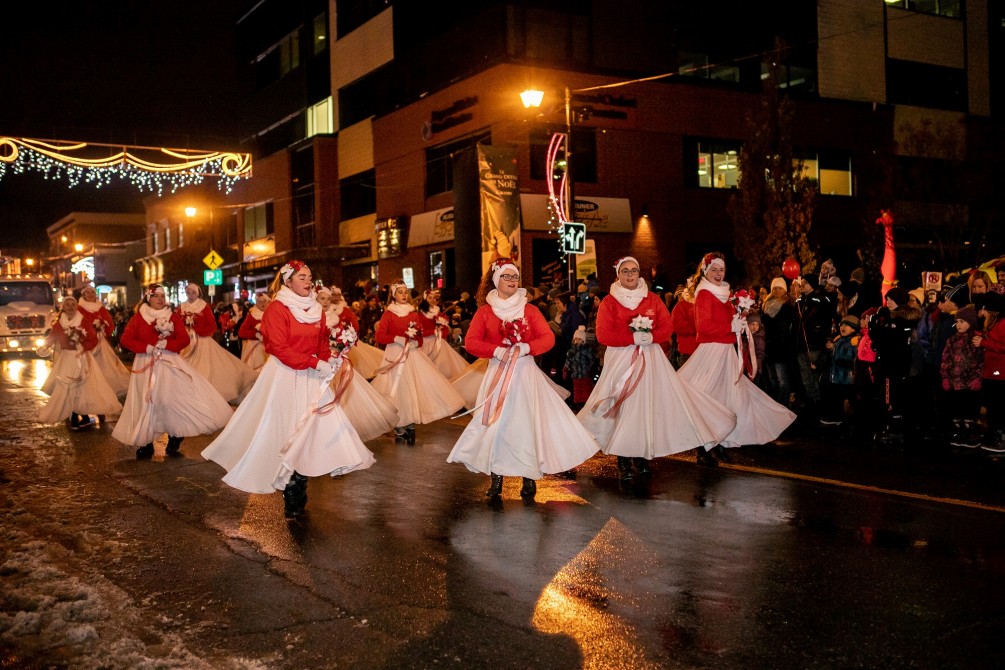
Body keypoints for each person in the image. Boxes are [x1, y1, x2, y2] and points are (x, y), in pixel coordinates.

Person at [202, 261, 375, 518]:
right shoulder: (277, 309)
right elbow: (278, 348)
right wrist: (314, 362)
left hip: (312, 375)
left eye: (310, 276)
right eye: (302, 277)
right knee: (288, 429)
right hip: (285, 375)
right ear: (288, 282)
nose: (308, 281)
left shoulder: (317, 309)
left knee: (312, 429)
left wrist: (329, 360)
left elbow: (322, 343)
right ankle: (290, 482)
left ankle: (299, 479)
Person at [447, 259, 600, 499]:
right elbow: (472, 342)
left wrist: (526, 348)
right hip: (498, 375)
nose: (511, 281)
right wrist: (497, 351)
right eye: (506, 276)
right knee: (496, 426)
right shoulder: (486, 311)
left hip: (525, 374)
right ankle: (496, 477)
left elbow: (547, 338)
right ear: (496, 280)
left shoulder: (529, 309)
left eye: (514, 277)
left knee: (527, 425)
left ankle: (529, 478)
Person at [578, 257, 736, 481]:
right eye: (625, 271)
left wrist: (650, 336)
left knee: (644, 407)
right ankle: (623, 458)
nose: (630, 275)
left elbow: (667, 325)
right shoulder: (610, 302)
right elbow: (604, 334)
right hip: (622, 360)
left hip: (650, 358)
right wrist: (632, 337)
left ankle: (640, 455)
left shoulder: (651, 299)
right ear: (618, 275)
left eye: (634, 270)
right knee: (623, 405)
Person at [678, 252, 796, 465]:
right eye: (713, 269)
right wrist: (730, 328)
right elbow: (703, 328)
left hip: (726, 353)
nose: (718, 273)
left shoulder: (725, 294)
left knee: (727, 397)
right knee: (709, 398)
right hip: (712, 353)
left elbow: (728, 325)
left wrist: (740, 323)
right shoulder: (705, 293)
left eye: (721, 269)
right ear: (705, 271)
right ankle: (703, 447)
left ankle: (720, 442)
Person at [112, 284, 234, 458]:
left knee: (169, 399)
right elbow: (126, 339)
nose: (160, 299)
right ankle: (146, 443)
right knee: (147, 403)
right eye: (156, 296)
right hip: (146, 363)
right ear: (148, 298)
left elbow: (183, 339)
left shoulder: (173, 316)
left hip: (168, 361)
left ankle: (175, 434)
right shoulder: (139, 317)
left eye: (163, 296)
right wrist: (146, 348)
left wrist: (167, 344)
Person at [371, 279, 465, 446]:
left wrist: (416, 342)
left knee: (412, 387)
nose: (404, 295)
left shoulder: (413, 313)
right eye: (400, 292)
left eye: (405, 292)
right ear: (393, 295)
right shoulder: (389, 314)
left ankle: (410, 420)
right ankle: (400, 424)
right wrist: (395, 338)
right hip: (395, 355)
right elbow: (379, 336)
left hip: (412, 355)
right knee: (399, 389)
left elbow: (420, 335)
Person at [321, 285, 399, 442]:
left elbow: (350, 329)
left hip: (336, 359)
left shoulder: (337, 317)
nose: (326, 301)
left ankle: (341, 428)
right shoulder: (312, 317)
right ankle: (326, 429)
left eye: (328, 298)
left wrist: (344, 342)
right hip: (320, 362)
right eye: (322, 298)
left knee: (343, 394)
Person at [37, 296, 122, 428]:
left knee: (86, 386)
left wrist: (83, 347)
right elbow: (53, 337)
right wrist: (44, 346)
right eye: (67, 305)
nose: (70, 307)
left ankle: (95, 413)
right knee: (67, 385)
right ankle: (74, 415)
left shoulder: (83, 321)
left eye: (73, 304)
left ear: (76, 306)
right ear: (63, 307)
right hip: (67, 359)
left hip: (82, 357)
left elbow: (93, 338)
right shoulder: (59, 323)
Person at [179, 283, 255, 403]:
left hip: (202, 344)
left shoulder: (204, 307)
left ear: (198, 293)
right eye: (188, 293)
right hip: (187, 344)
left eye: (193, 293)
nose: (191, 295)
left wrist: (197, 331)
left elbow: (212, 327)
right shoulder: (182, 307)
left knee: (204, 368)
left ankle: (204, 394)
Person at [939, 306, 983, 448]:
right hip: (954, 382)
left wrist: (977, 378)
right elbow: (945, 359)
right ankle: (960, 432)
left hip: (969, 383)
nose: (959, 325)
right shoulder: (952, 340)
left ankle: (971, 434)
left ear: (970, 322)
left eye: (962, 321)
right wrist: (945, 377)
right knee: (956, 408)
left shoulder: (976, 339)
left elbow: (981, 361)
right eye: (957, 321)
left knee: (969, 409)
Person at [76, 285, 130, 398]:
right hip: (86, 343)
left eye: (92, 292)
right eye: (87, 293)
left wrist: (103, 328)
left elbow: (109, 322)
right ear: (83, 295)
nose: (90, 295)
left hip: (101, 342)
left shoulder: (100, 308)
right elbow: (77, 323)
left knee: (106, 366)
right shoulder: (79, 308)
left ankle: (106, 389)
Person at [972, 292, 1005, 452]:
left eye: (983, 308)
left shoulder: (1002, 324)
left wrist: (984, 343)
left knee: (998, 405)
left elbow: (1002, 346)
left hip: (1000, 373)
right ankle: (993, 435)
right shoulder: (992, 323)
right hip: (991, 371)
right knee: (992, 404)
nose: (981, 312)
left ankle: (1000, 437)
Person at [416, 289, 469, 380]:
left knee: (444, 364)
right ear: (425, 299)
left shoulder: (438, 312)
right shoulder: (419, 314)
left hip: (438, 342)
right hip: (425, 343)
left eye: (434, 298)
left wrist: (441, 331)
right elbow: (418, 331)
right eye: (430, 298)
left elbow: (445, 330)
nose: (433, 300)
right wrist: (433, 331)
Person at [820, 315, 861, 426]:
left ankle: (848, 420)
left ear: (854, 328)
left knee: (847, 399)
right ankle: (836, 417)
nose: (843, 327)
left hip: (847, 378)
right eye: (842, 324)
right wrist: (831, 349)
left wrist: (843, 362)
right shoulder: (838, 339)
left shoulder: (855, 341)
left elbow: (855, 359)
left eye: (847, 325)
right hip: (836, 376)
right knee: (835, 398)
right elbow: (834, 355)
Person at [237, 291, 271, 372]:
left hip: (269, 347)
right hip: (255, 350)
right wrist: (255, 334)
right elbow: (241, 332)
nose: (262, 304)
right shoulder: (251, 315)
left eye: (264, 301)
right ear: (256, 302)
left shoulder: (271, 314)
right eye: (259, 301)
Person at [669, 278, 697, 370]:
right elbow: (677, 325)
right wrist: (696, 327)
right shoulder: (681, 305)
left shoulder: (702, 303)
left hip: (703, 349)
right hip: (688, 349)